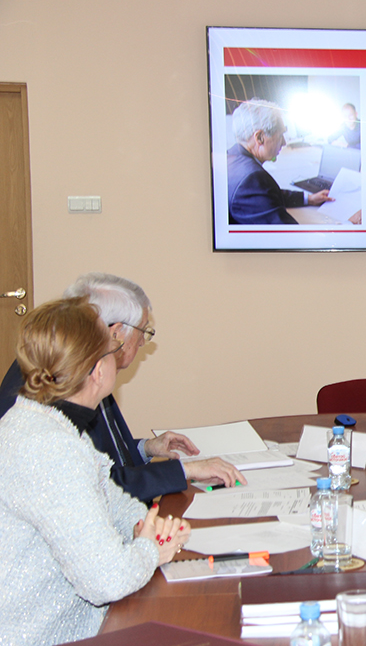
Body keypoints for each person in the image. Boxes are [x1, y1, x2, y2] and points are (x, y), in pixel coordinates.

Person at [0, 297, 191, 645]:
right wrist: (152, 551)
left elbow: (111, 501)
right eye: (113, 351)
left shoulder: (46, 423)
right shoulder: (48, 448)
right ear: (97, 371)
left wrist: (148, 526)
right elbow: (107, 581)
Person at [0, 273, 246, 502]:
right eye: (143, 331)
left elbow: (106, 459)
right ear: (116, 333)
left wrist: (146, 448)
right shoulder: (55, 387)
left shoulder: (80, 366)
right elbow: (100, 487)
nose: (142, 342)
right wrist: (185, 470)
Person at [227, 98, 334, 224]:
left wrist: (309, 199)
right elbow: (288, 233)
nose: (284, 142)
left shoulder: (232, 156)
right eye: (280, 136)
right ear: (259, 137)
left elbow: (267, 194)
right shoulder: (252, 179)